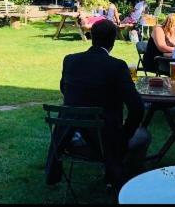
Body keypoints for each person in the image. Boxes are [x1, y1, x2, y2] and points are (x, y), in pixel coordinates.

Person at [46, 19, 151, 188]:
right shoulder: (116, 66)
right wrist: (124, 135)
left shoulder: (70, 60)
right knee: (143, 135)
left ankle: (114, 172)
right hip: (103, 142)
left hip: (68, 137)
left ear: (92, 37)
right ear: (113, 40)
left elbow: (65, 90)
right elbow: (137, 108)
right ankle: (124, 181)